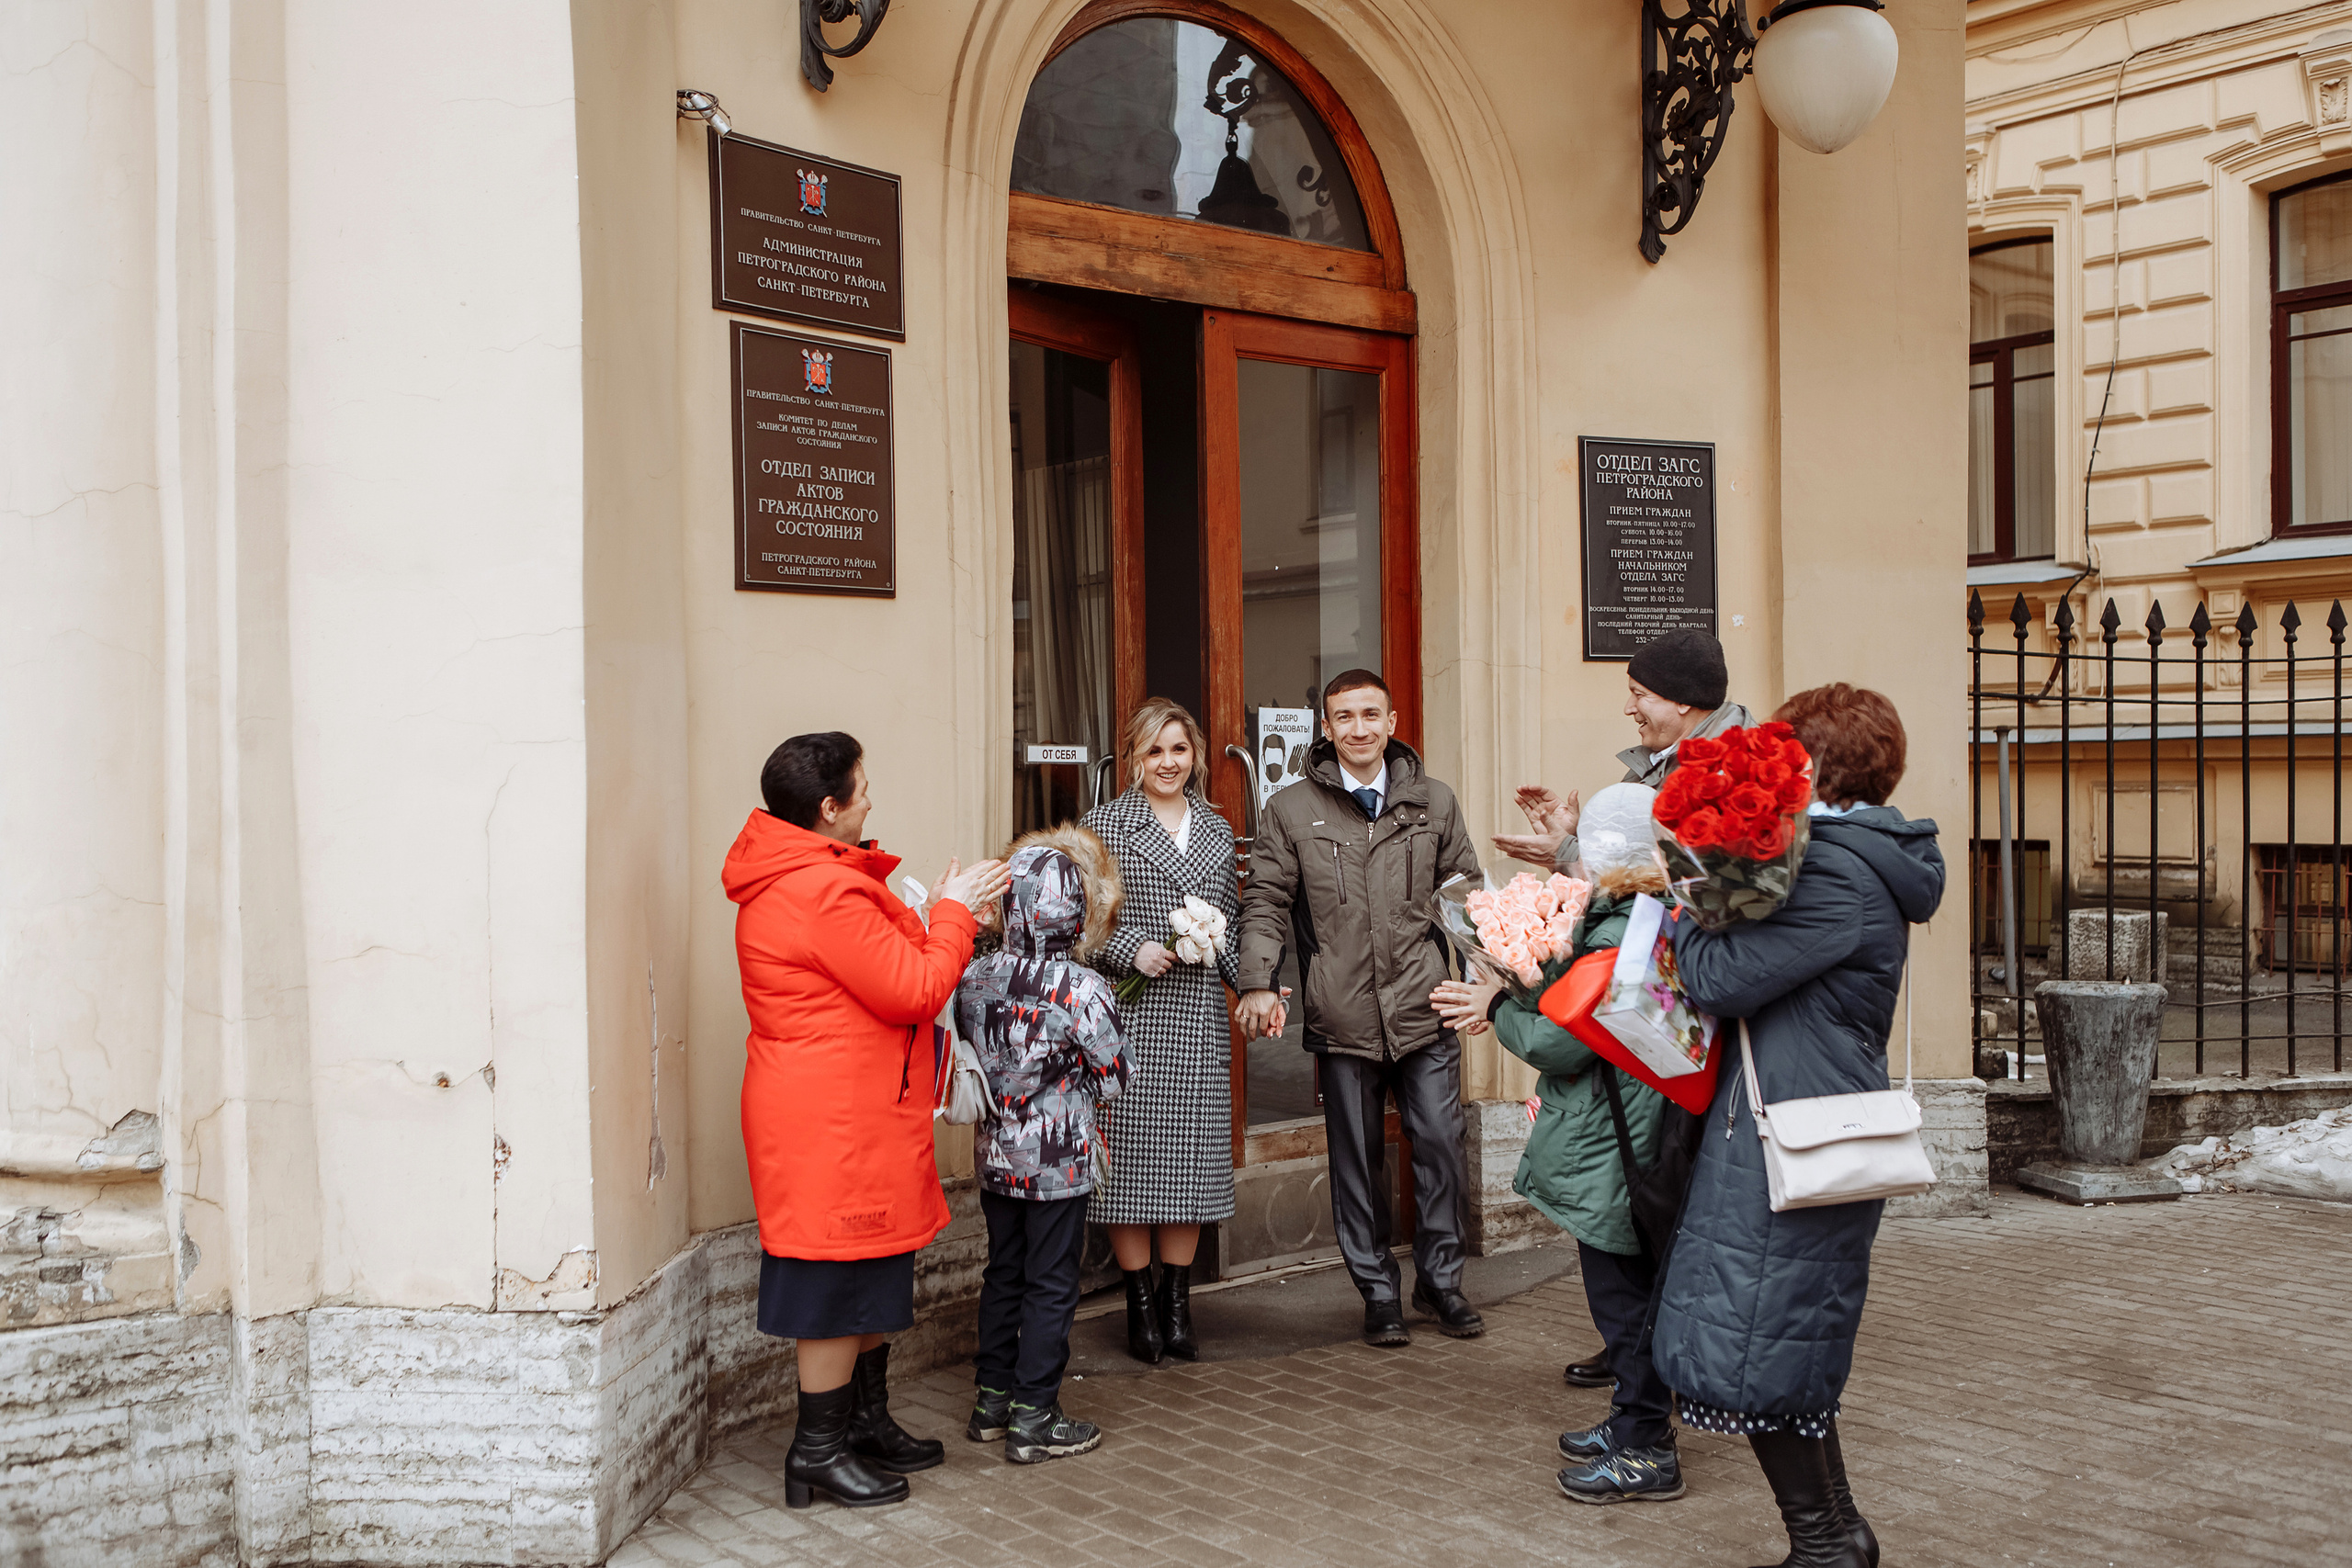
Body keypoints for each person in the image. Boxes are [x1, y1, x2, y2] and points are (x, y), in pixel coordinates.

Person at [1649, 685, 1943, 1568]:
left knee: (1764, 1348)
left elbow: (1721, 981)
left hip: (1796, 1130)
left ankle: (1824, 1545)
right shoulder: (1852, 859)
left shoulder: (1836, 872)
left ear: (1812, 766)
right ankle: (1837, 1533)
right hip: (1789, 1117)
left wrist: (1687, 911)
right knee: (1779, 1344)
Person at [724, 731, 1012, 1510]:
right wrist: (953, 913)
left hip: (854, 1115)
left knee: (870, 1274)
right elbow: (914, 989)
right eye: (863, 787)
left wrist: (953, 917)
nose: (872, 799)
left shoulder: (819, 880)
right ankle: (815, 1451)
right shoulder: (817, 891)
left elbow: (890, 965)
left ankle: (864, 1424)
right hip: (831, 1123)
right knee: (831, 1285)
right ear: (829, 807)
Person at [1431, 784, 1684, 1506]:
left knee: (1624, 1297)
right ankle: (1633, 1419)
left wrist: (1498, 1001)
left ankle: (1648, 1446)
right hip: (1627, 1123)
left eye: (1591, 843)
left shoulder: (1619, 929)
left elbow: (1562, 1039)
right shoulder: (1645, 910)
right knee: (1626, 1287)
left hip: (1616, 1135)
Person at [1233, 669, 1485, 1348]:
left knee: (1439, 1145)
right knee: (1357, 1160)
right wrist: (1256, 979)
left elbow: (1466, 895)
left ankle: (1440, 1282)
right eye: (1344, 717)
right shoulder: (1289, 810)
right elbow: (1263, 901)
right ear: (1327, 727)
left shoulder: (1435, 801)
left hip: (1425, 1004)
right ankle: (1379, 1293)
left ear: (1392, 719)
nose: (1359, 728)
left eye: (1370, 714)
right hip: (1342, 1013)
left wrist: (1490, 984)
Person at [954, 834, 1134, 1465]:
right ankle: (1036, 1414)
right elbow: (1116, 1075)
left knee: (1004, 1271)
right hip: (1058, 1162)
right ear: (1075, 909)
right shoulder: (1082, 988)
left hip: (996, 1156)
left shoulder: (974, 976)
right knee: (1053, 1281)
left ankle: (991, 1402)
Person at [1081, 699, 1241, 1364]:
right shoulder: (1102, 826)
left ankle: (1179, 1301)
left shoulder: (1217, 826)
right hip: (1131, 1015)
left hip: (1198, 1014)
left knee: (1191, 1166)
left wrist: (1255, 984)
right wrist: (1131, 950)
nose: (1168, 762)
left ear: (1195, 754)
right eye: (1155, 751)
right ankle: (1138, 1302)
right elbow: (1083, 919)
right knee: (1132, 1166)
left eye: (1179, 749)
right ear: (1133, 759)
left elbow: (1230, 919)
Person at [1495, 627, 1754, 882]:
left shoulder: (1737, 771)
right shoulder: (1660, 756)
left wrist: (1566, 853)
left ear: (1684, 701)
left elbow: (1689, 883)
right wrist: (1582, 835)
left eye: (1639, 694)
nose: (1628, 708)